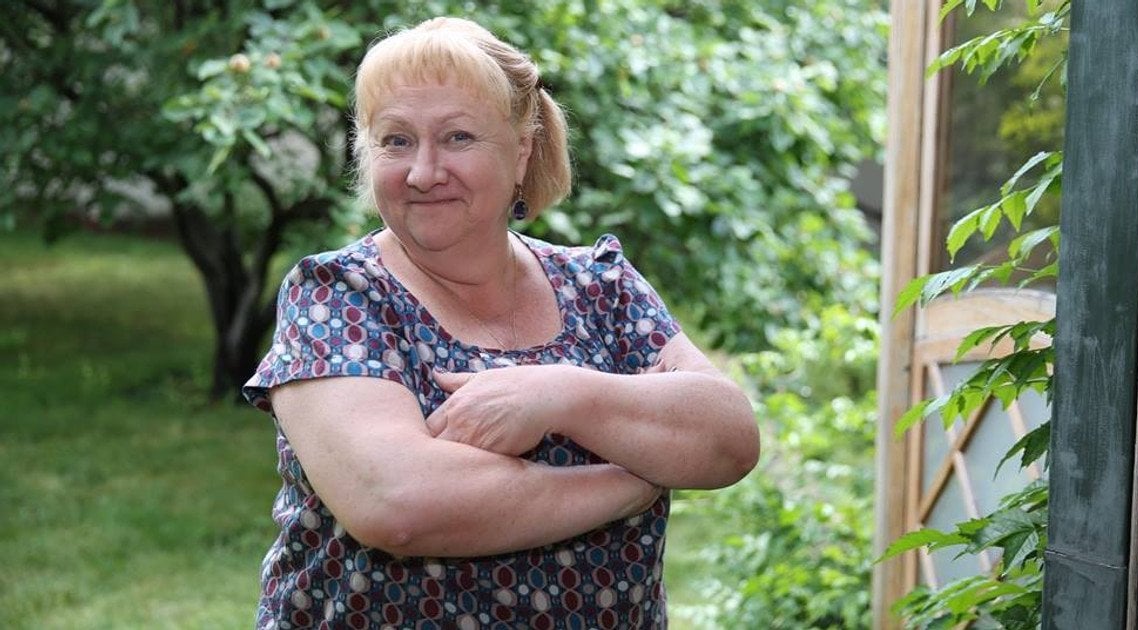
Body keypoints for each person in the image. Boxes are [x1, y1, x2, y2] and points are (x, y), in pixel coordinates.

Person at [243, 16, 759, 630]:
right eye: (396, 141)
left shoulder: (601, 286)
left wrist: (560, 394)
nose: (423, 172)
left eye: (457, 137)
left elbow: (728, 439)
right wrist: (634, 479)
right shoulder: (338, 294)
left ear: (521, 151)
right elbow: (397, 503)